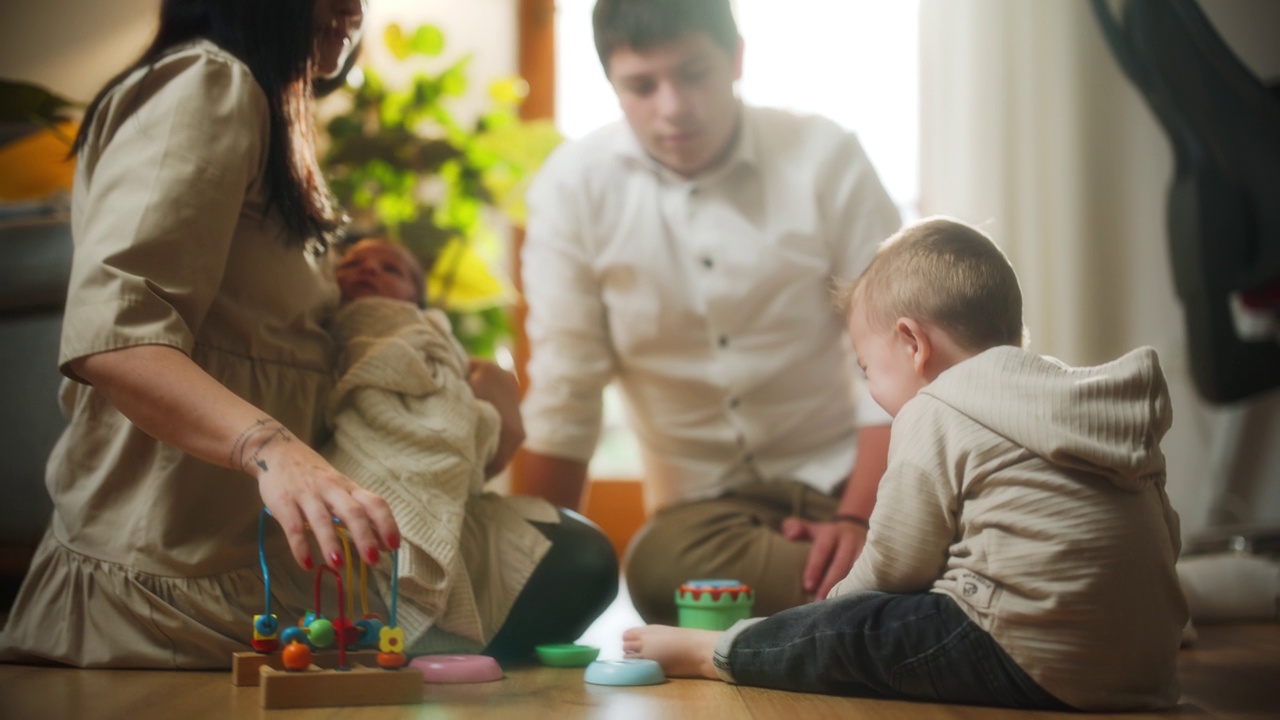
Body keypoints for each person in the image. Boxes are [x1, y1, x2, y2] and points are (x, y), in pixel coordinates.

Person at [622, 217, 1189, 712]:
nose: (871, 388)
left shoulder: (935, 406)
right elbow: (1166, 533)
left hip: (1026, 656)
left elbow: (894, 565)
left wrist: (828, 621)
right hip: (1145, 672)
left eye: (868, 367)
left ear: (913, 343)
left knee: (861, 633)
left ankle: (715, 651)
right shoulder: (1075, 406)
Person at [6, 0, 383, 668]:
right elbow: (114, 336)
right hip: (160, 596)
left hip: (251, 573)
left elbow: (259, 323)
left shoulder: (276, 111)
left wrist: (358, 287)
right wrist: (270, 446)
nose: (353, 7)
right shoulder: (208, 83)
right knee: (566, 563)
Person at [518, 0, 903, 624]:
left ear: (736, 58)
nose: (672, 107)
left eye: (693, 73)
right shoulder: (571, 189)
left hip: (855, 479)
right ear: (612, 85)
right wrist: (526, 584)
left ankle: (861, 594)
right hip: (706, 516)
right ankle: (901, 600)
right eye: (642, 85)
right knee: (660, 573)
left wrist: (861, 516)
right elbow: (567, 392)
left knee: (975, 514)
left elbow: (897, 358)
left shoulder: (825, 156)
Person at [327, 237, 617, 659]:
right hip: (349, 483)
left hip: (446, 486)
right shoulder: (323, 328)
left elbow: (462, 418)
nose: (368, 270)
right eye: (352, 264)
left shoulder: (428, 336)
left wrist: (479, 394)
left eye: (391, 270)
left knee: (590, 555)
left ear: (418, 301)